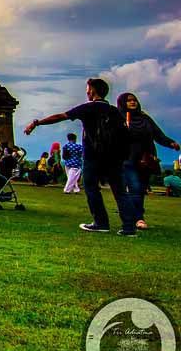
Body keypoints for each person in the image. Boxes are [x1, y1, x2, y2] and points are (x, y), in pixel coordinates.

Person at [25, 77, 138, 235]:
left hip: (93, 156)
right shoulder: (114, 111)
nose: (87, 92)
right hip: (114, 157)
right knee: (120, 191)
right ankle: (129, 227)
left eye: (87, 90)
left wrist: (36, 123)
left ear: (92, 91)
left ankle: (101, 223)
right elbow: (125, 135)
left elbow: (60, 117)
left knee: (92, 189)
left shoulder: (88, 108)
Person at [117, 92, 179, 230]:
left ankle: (133, 214)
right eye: (129, 101)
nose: (133, 103)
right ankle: (138, 218)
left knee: (140, 190)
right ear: (123, 103)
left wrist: (170, 143)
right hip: (127, 159)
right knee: (135, 188)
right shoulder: (119, 118)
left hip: (145, 159)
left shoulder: (145, 119)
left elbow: (158, 135)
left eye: (134, 100)